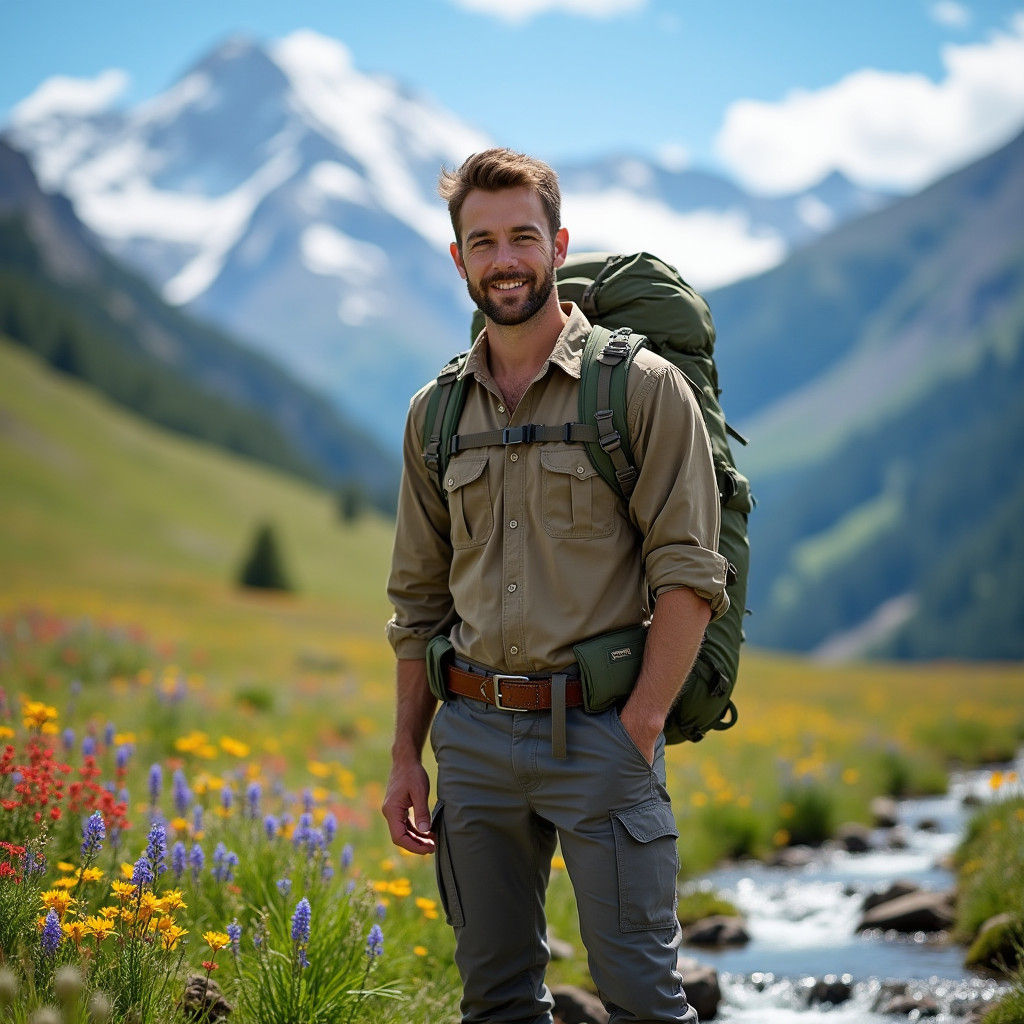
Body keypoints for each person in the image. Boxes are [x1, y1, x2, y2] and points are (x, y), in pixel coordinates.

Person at [383, 148, 730, 1024]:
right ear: (458, 257)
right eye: (484, 241)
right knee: (495, 1003)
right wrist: (405, 755)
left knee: (645, 1001)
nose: (505, 260)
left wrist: (640, 727)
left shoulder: (641, 389)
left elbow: (690, 573)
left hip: (602, 738)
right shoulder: (435, 414)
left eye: (523, 238)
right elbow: (417, 603)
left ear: (557, 243)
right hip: (470, 744)